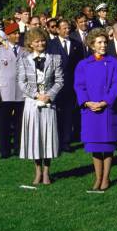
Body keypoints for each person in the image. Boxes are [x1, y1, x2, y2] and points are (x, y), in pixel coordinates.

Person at [74, 28, 117, 192]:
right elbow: (79, 86)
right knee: (95, 146)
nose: (103, 45)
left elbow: (116, 85)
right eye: (99, 42)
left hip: (107, 109)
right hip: (90, 111)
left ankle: (106, 178)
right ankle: (98, 178)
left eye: (104, 42)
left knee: (107, 145)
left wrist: (104, 102)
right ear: (92, 45)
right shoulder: (83, 64)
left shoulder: (114, 63)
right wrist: (87, 102)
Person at [17, 28, 63, 185]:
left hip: (49, 103)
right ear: (30, 43)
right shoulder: (24, 60)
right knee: (35, 137)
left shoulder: (55, 59)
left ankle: (46, 172)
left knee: (47, 137)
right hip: (32, 103)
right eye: (36, 41)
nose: (40, 43)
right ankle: (37, 171)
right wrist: (37, 95)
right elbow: (21, 83)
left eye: (42, 40)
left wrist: (49, 95)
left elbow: (59, 81)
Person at [47, 19, 84, 152]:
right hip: (55, 85)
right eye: (63, 28)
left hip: (71, 84)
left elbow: (81, 65)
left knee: (69, 113)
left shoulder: (77, 44)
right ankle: (56, 140)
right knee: (56, 114)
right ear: (57, 29)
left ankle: (66, 141)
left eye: (68, 28)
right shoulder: (50, 45)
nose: (67, 30)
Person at [0, 22, 27, 158]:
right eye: (14, 33)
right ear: (8, 35)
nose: (17, 35)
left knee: (19, 124)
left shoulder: (24, 50)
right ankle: (5, 150)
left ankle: (18, 148)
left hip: (21, 92)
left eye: (18, 33)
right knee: (4, 123)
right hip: (5, 92)